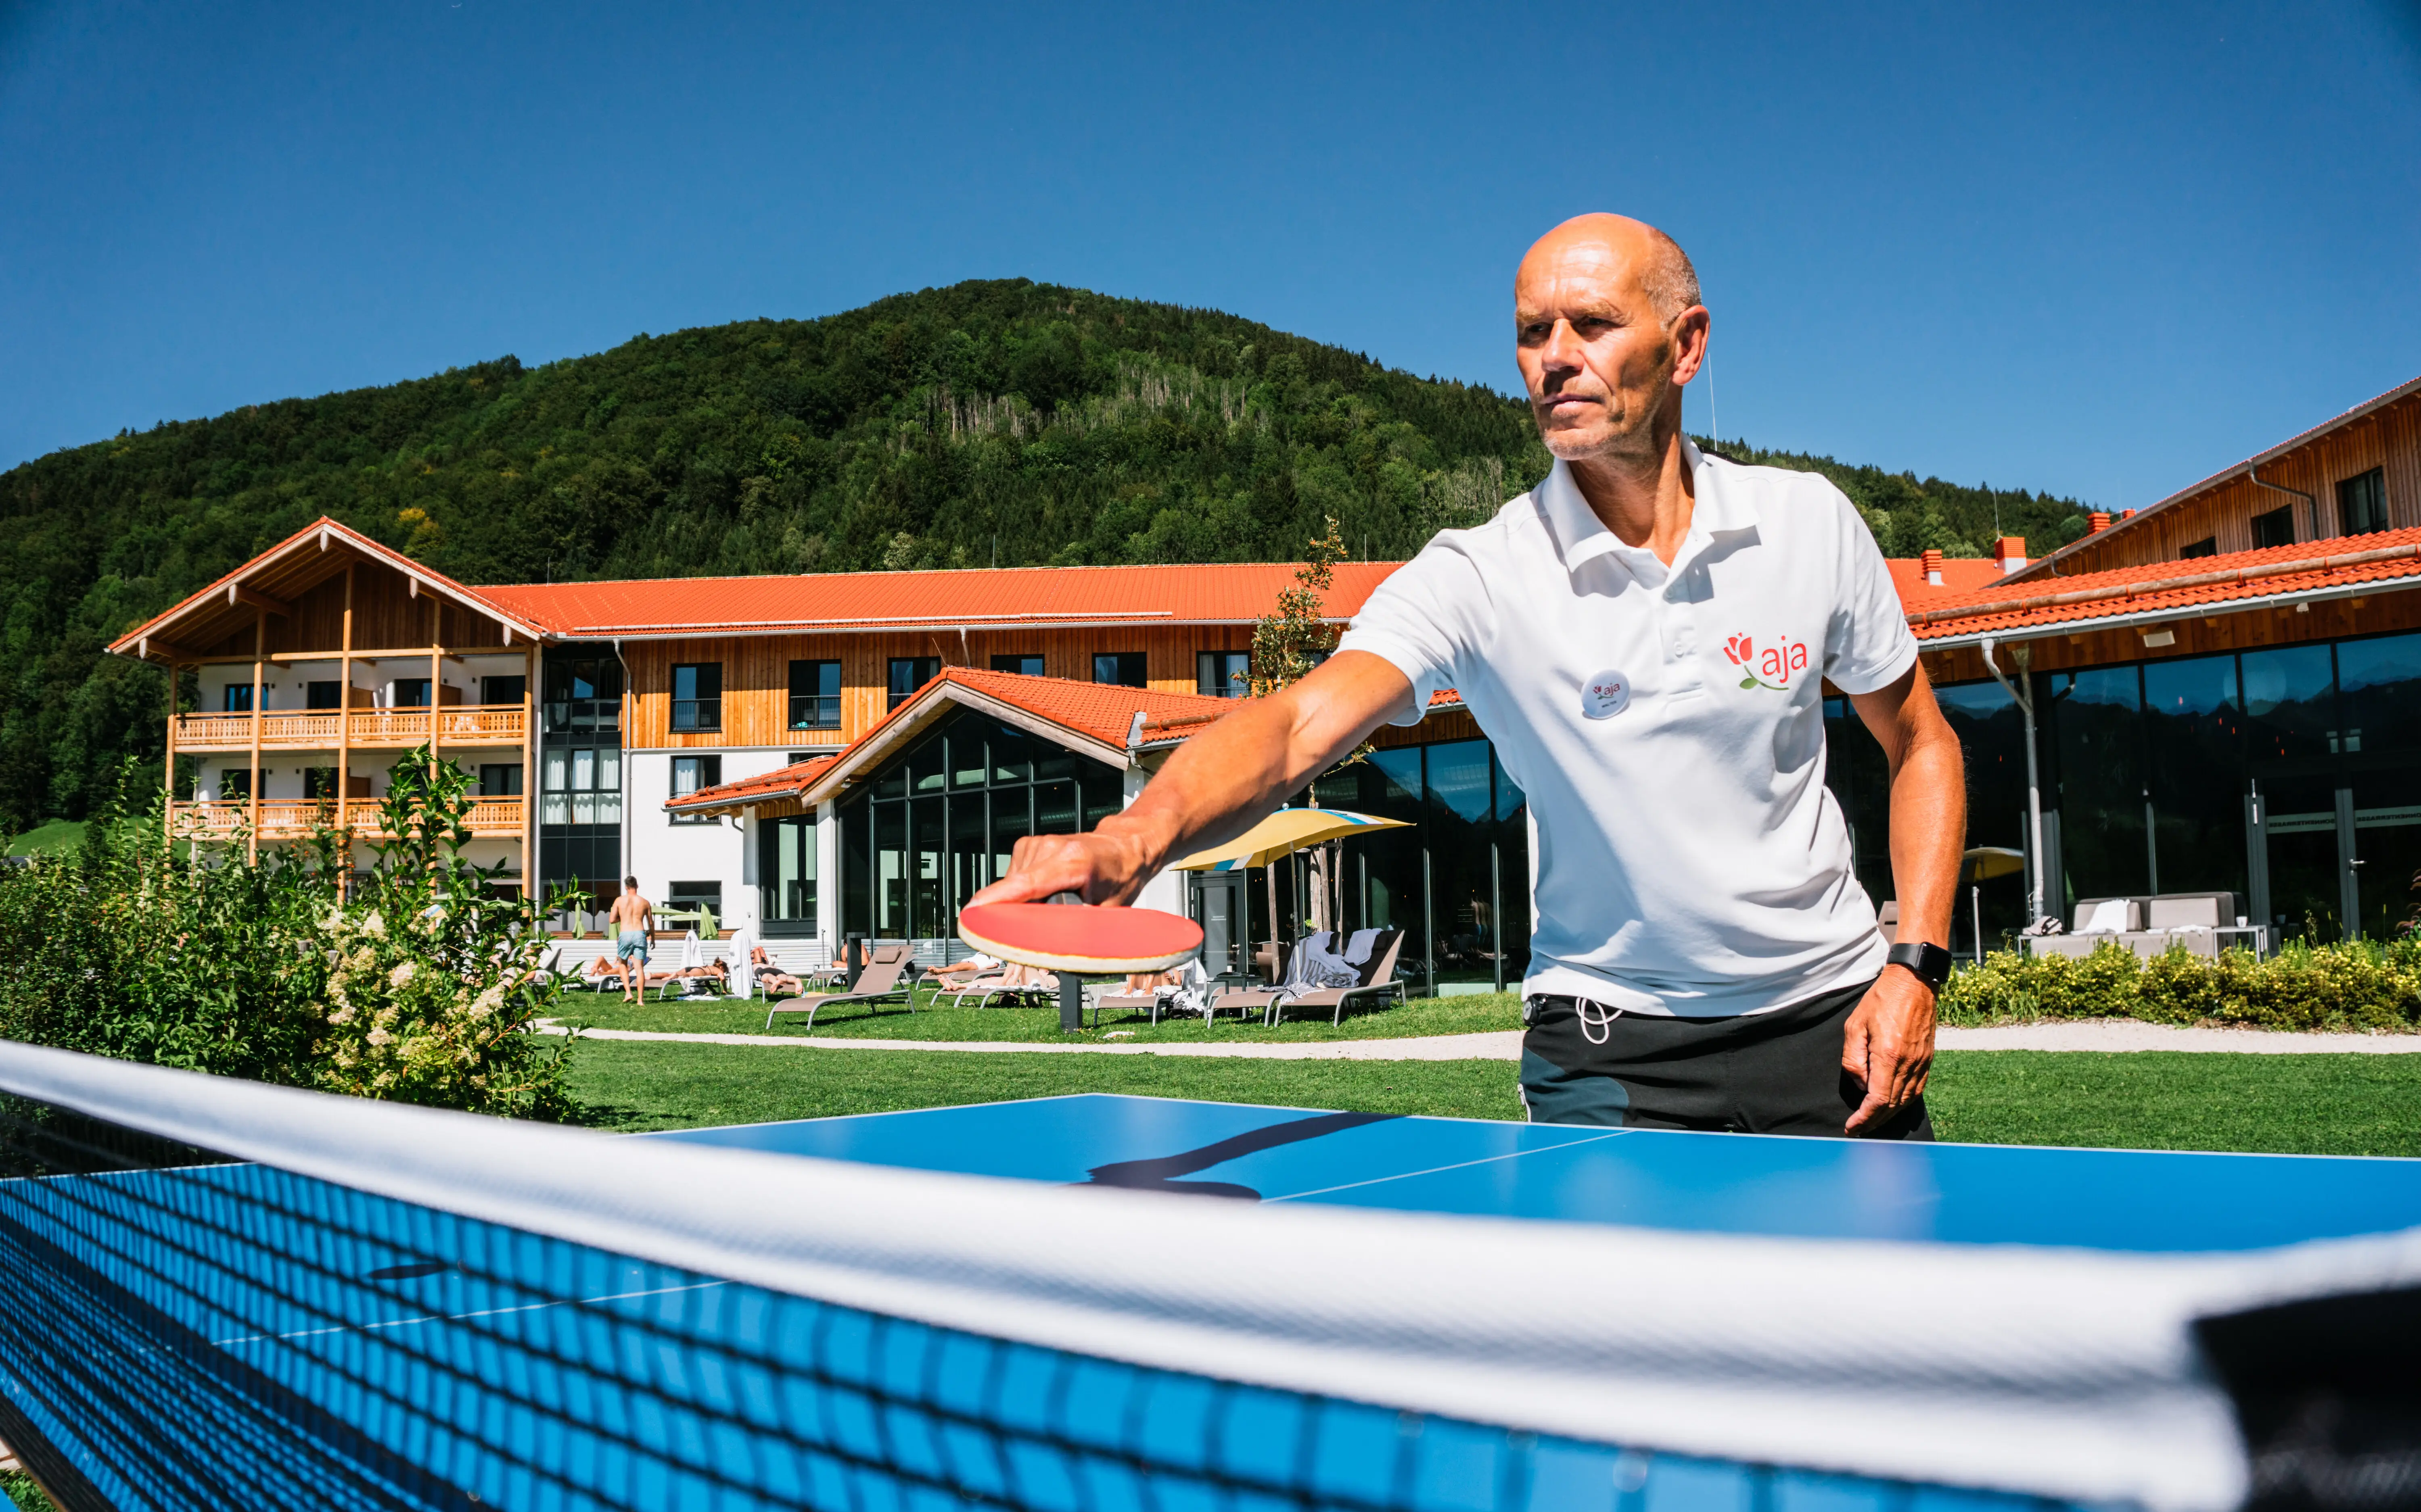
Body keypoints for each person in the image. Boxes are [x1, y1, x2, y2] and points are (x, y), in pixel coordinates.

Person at [968, 213, 1964, 1139]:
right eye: (1534, 332)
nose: (1556, 357)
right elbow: (1297, 724)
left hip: (1835, 1025)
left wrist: (1915, 965)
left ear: (1687, 345)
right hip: (1616, 1050)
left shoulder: (1808, 523)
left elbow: (1922, 742)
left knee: (1890, 1329)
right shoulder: (1480, 573)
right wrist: (1136, 835)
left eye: (1594, 324)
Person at [606, 875, 654, 1005]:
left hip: (625, 933)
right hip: (640, 933)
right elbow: (651, 923)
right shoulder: (645, 902)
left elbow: (612, 920)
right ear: (637, 886)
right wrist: (653, 939)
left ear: (626, 887)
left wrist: (623, 918)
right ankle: (640, 1000)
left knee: (622, 964)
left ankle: (628, 993)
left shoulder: (619, 901)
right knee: (639, 968)